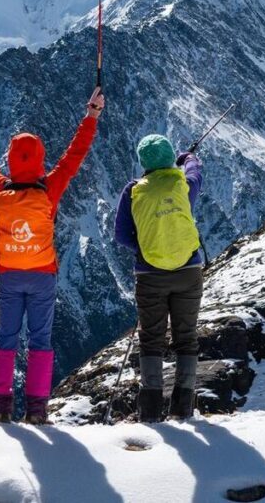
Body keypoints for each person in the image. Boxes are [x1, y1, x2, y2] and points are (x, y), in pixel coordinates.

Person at [0, 87, 105, 424]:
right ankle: (37, 409)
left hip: (10, 274)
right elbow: (74, 156)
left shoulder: (0, 190)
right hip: (42, 275)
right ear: (40, 159)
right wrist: (92, 116)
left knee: (6, 337)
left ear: (10, 159)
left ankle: (1, 406)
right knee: (40, 339)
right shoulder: (49, 190)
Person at [113, 134, 204, 422]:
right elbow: (195, 171)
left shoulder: (133, 191)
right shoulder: (182, 185)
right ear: (168, 160)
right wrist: (186, 157)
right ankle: (183, 407)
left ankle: (150, 410)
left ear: (143, 163)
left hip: (150, 274)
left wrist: (143, 247)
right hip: (189, 270)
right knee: (186, 338)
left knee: (151, 340)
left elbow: (120, 235)